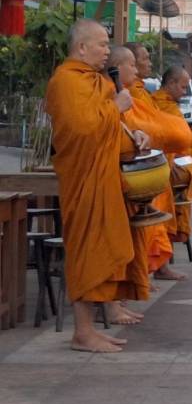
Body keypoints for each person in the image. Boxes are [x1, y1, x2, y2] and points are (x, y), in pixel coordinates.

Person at [46, 22, 152, 352]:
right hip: (83, 181)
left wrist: (133, 135)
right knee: (86, 252)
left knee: (102, 251)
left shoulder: (98, 82)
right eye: (102, 44)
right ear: (81, 47)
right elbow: (82, 130)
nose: (107, 51)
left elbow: (107, 127)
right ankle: (82, 332)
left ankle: (91, 328)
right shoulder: (66, 81)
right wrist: (115, 108)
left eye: (107, 45)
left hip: (104, 179)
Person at [122, 48, 191, 283]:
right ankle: (142, 272)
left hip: (158, 165)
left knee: (158, 220)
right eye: (142, 59)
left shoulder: (142, 93)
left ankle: (155, 269)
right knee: (146, 223)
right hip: (141, 170)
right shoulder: (127, 94)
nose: (149, 63)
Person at [153, 65, 192, 252]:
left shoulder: (169, 105)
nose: (184, 92)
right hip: (165, 166)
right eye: (183, 87)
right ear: (171, 83)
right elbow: (158, 136)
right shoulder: (156, 104)